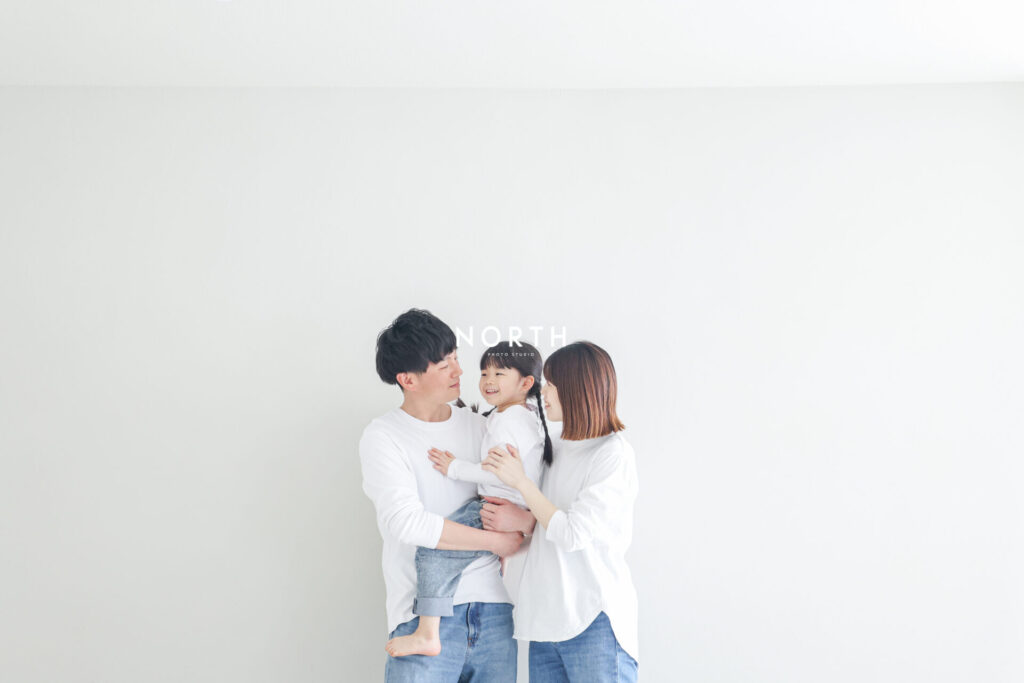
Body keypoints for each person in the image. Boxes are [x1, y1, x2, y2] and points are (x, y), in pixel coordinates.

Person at [359, 309, 524, 682]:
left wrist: (521, 524)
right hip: (421, 615)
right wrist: (497, 541)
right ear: (408, 379)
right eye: (444, 364)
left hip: (495, 609)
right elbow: (407, 523)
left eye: (456, 358)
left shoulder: (484, 427)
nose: (459, 371)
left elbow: (518, 492)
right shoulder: (384, 436)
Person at [482, 341, 640, 682]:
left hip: (593, 620)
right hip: (544, 622)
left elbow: (573, 534)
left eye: (551, 385)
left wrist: (522, 483)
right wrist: (524, 520)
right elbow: (548, 521)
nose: (543, 393)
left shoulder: (612, 454)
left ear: (575, 388)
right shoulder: (554, 445)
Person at [385, 341, 553, 658]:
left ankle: (427, 633)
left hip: (492, 508)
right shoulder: (523, 418)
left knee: (432, 553)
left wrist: (454, 467)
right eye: (485, 373)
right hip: (507, 509)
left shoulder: (507, 420)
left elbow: (499, 472)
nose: (488, 380)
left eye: (499, 374)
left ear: (526, 383)